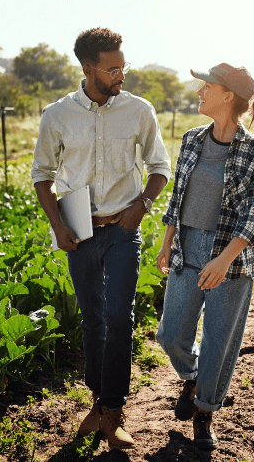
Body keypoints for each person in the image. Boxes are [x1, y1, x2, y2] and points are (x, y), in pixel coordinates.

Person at [31, 27, 171, 449]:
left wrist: (141, 206)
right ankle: (97, 402)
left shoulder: (139, 110)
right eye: (113, 69)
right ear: (89, 69)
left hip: (124, 232)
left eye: (123, 67)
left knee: (119, 318)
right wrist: (59, 227)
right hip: (81, 232)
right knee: (91, 320)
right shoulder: (57, 115)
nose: (121, 75)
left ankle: (113, 408)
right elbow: (42, 175)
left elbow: (160, 167)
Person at [155, 63, 254, 451]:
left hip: (231, 259)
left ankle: (205, 411)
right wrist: (167, 240)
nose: (199, 92)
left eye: (206, 86)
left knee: (219, 342)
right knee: (170, 334)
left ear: (227, 95)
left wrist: (224, 259)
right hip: (188, 249)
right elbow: (177, 196)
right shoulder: (191, 140)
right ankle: (192, 377)